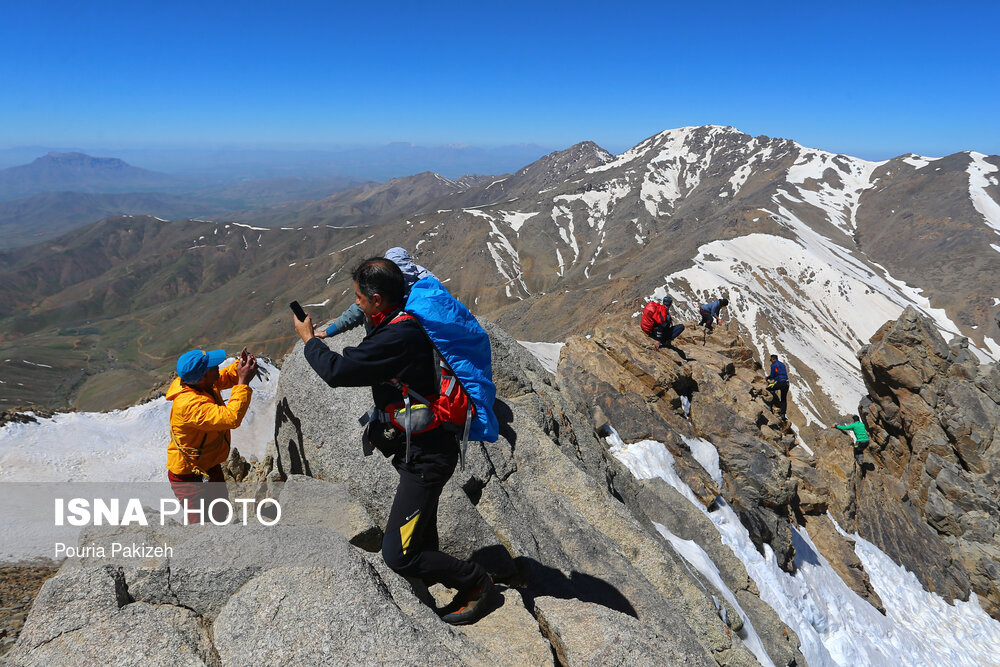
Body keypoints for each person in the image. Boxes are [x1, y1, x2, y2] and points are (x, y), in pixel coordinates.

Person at [294, 257, 493, 625]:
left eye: (359, 298)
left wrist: (309, 340)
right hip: (419, 448)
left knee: (398, 555)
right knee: (419, 529)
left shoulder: (399, 336)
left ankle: (478, 584)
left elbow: (338, 371)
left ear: (378, 299)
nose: (356, 304)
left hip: (427, 457)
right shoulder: (398, 319)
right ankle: (436, 574)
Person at [166, 348, 257, 525]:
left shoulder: (198, 383)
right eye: (212, 366)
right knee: (200, 523)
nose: (217, 367)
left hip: (207, 464)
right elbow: (231, 418)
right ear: (202, 377)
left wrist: (239, 367)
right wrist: (243, 382)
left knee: (220, 512)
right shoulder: (189, 406)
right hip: (188, 474)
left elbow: (221, 377)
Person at [314, 247, 437, 339]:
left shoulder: (384, 284)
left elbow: (356, 312)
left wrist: (326, 332)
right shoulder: (427, 280)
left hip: (386, 340)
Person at [766, 353, 789, 418]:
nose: (770, 361)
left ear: (773, 359)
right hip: (786, 383)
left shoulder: (774, 365)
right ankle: (783, 414)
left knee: (769, 389)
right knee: (783, 398)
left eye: (771, 360)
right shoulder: (782, 364)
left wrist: (767, 378)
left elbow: (772, 375)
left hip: (780, 382)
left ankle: (770, 405)